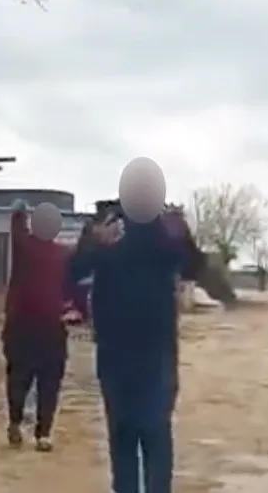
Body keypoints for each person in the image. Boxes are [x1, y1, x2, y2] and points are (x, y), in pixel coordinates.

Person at [70, 208, 197, 493]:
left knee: (132, 439)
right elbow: (72, 273)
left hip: (130, 362)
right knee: (149, 439)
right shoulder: (147, 240)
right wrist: (93, 240)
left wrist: (92, 239)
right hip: (147, 360)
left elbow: (73, 272)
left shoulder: (145, 239)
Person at [2, 202, 73, 452]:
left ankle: (15, 422)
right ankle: (43, 434)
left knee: (18, 378)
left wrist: (19, 210)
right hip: (52, 328)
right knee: (49, 383)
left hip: (21, 326)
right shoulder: (64, 255)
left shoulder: (24, 247)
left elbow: (17, 228)